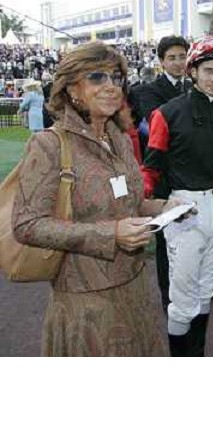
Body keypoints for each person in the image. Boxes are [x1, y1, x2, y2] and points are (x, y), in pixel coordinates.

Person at [12, 43, 176, 356]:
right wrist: (111, 234)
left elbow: (131, 205)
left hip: (136, 289)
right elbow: (27, 225)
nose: (111, 86)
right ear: (72, 89)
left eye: (116, 78)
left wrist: (166, 208)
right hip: (86, 302)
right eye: (97, 77)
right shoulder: (48, 145)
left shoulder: (120, 140)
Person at [141, 38, 213, 356]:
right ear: (194, 72)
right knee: (182, 302)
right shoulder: (167, 113)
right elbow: (151, 168)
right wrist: (146, 205)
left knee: (205, 293)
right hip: (182, 208)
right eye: (208, 70)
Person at [137, 35, 192, 312]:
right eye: (172, 57)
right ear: (161, 62)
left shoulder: (194, 87)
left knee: (192, 236)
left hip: (192, 177)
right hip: (164, 177)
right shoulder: (148, 91)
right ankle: (167, 294)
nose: (178, 62)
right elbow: (161, 125)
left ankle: (188, 287)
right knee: (165, 240)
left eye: (182, 56)